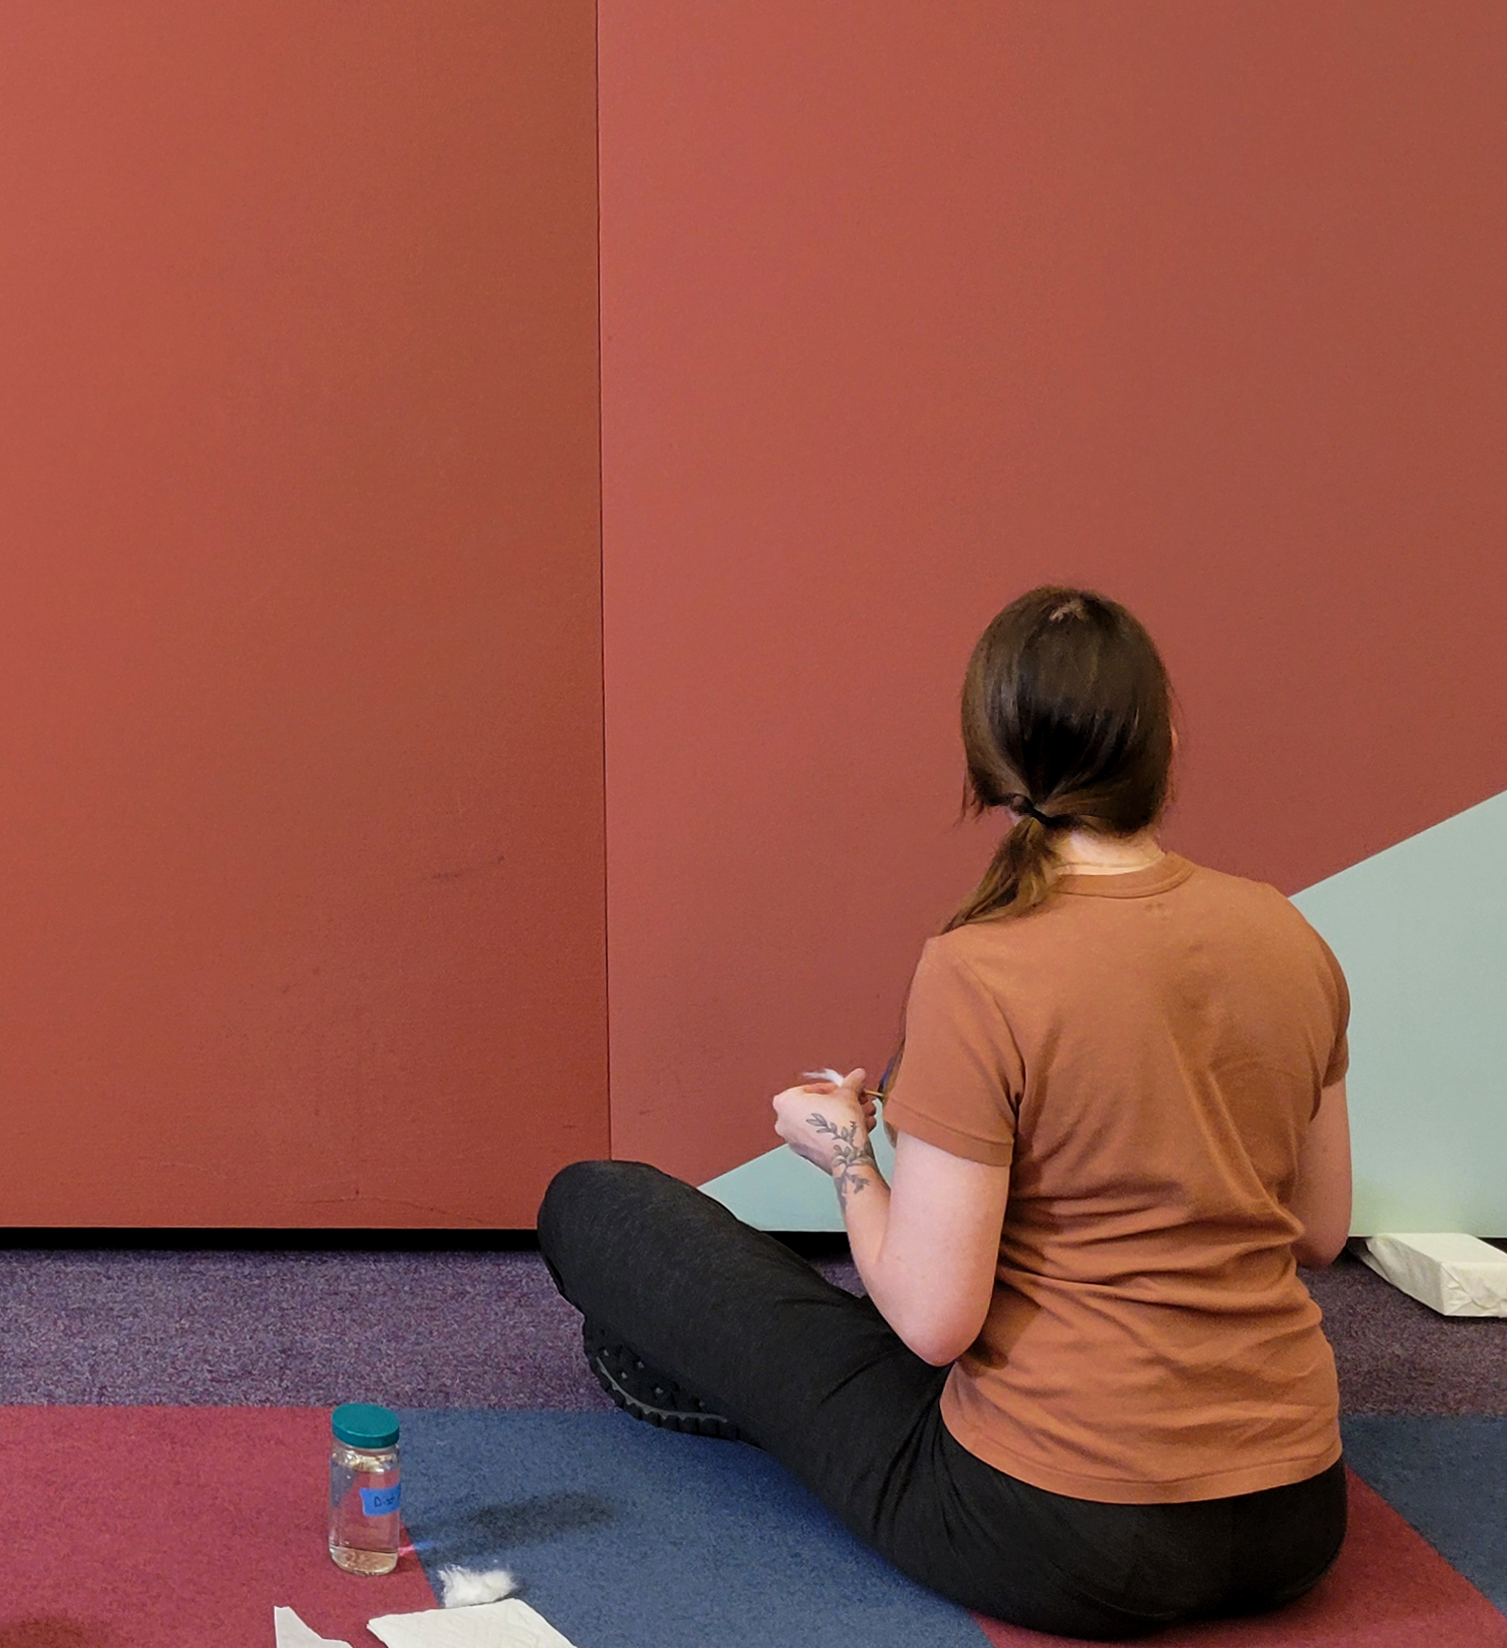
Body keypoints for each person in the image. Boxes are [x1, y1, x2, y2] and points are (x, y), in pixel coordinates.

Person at [536, 587, 1357, 1640]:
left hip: (1063, 1536)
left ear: (990, 768)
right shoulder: (1288, 932)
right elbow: (1323, 1231)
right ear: (1166, 742)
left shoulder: (981, 968)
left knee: (599, 1206)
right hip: (1296, 1518)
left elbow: (932, 1323)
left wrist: (845, 1155)